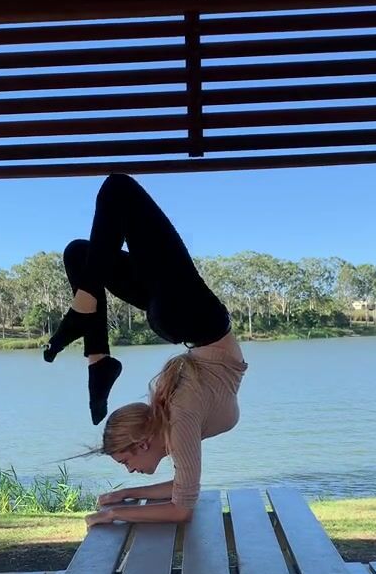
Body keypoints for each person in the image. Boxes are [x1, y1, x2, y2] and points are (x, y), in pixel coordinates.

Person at [46, 173, 248, 525]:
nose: (130, 470)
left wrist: (117, 509)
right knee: (107, 210)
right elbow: (184, 494)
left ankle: (96, 351)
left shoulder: (177, 415)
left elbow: (181, 507)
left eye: (126, 462)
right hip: (187, 318)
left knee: (86, 243)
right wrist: (125, 497)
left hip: (193, 319)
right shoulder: (177, 418)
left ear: (142, 443)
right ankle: (94, 347)